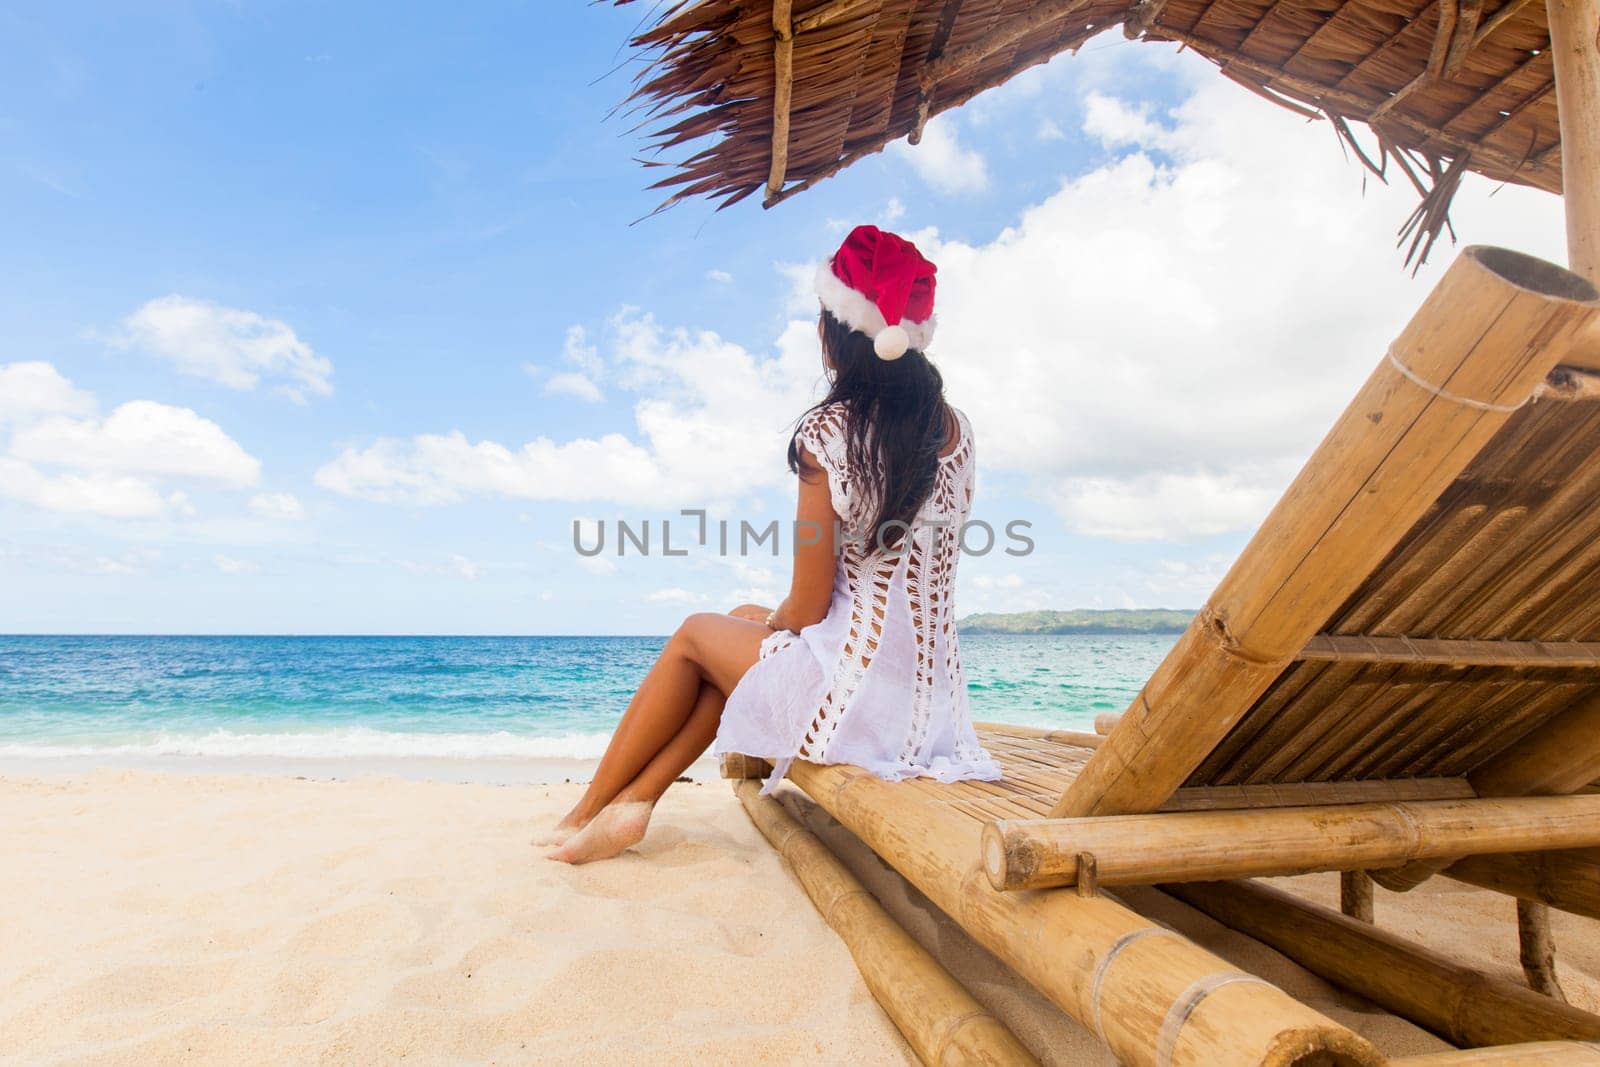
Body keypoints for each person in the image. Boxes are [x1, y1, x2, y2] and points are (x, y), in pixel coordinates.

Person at [540, 225, 999, 864]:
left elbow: (808, 608)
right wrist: (772, 624)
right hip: (933, 712)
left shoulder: (830, 432)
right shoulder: (958, 431)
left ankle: (586, 810)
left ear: (839, 330)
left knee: (696, 636)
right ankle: (635, 802)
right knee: (744, 625)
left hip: (856, 709)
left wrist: (780, 624)